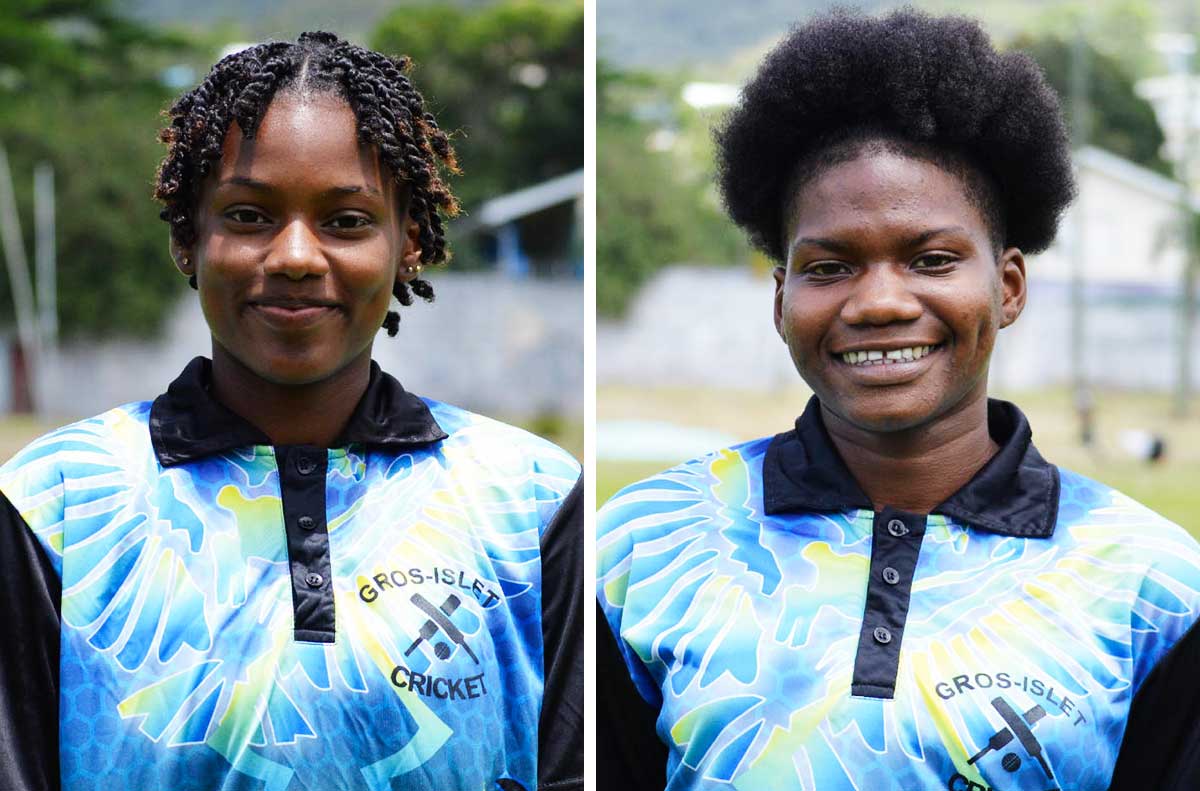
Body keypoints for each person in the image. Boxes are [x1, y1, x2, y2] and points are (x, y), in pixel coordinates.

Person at [595, 9, 1200, 791]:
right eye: (829, 266)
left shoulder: (1156, 587)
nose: (880, 301)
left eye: (933, 258)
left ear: (1007, 286)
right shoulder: (645, 547)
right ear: (781, 299)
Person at [0, 32, 582, 791]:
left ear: (409, 242)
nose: (298, 256)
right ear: (188, 238)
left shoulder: (529, 496)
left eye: (346, 221)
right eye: (248, 215)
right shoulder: (59, 503)